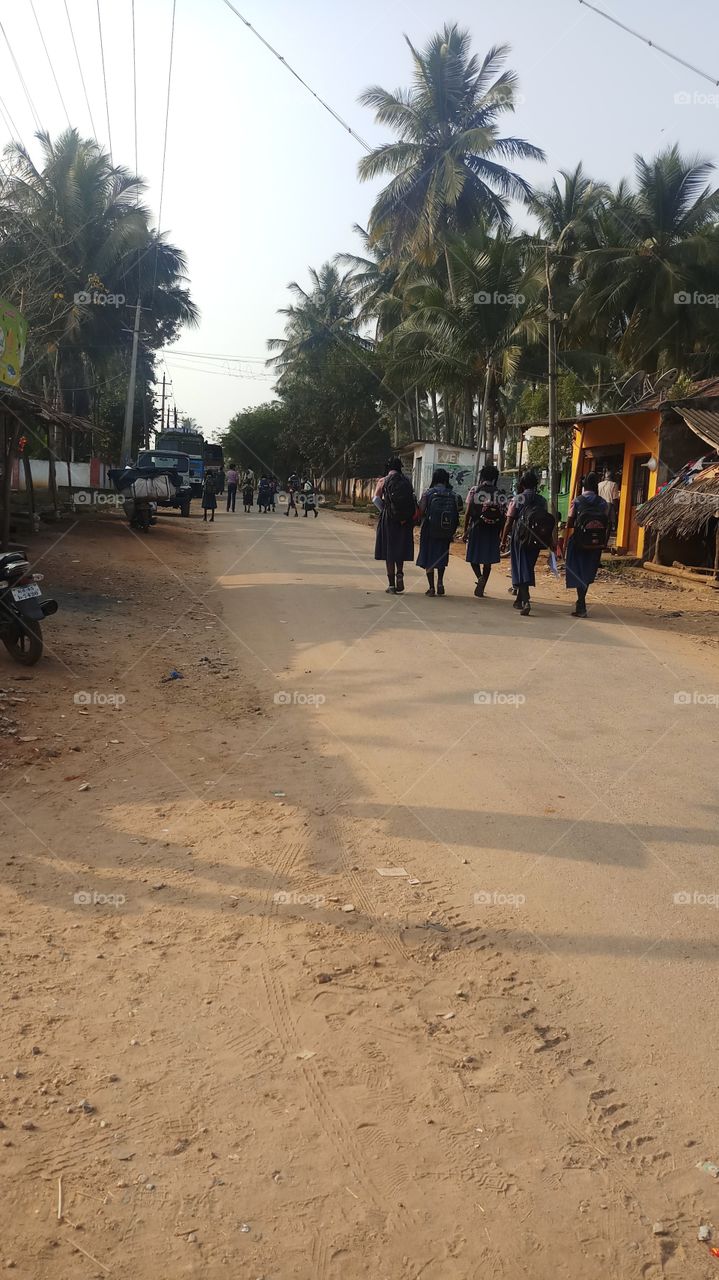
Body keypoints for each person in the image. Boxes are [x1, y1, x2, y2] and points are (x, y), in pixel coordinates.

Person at [500, 469, 555, 616]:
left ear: (522, 484)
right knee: (528, 566)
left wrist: (503, 539)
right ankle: (519, 599)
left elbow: (509, 521)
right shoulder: (542, 500)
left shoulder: (518, 499)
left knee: (520, 567)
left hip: (520, 537)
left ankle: (525, 600)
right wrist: (551, 541)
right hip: (537, 538)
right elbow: (545, 523)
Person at [564, 472, 610, 617]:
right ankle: (581, 601)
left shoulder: (577, 501)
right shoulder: (603, 502)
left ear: (584, 486)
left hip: (578, 541)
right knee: (588, 571)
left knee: (577, 569)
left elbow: (570, 522)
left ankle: (581, 603)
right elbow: (607, 523)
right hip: (596, 543)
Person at [373, 456, 416, 593]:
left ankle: (391, 585)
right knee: (400, 547)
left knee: (389, 550)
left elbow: (375, 499)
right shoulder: (407, 481)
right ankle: (400, 573)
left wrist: (386, 510)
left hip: (389, 519)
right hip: (405, 520)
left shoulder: (383, 480)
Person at [416, 467, 460, 596]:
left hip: (429, 529)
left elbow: (421, 511)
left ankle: (431, 588)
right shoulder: (452, 494)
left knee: (429, 556)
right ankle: (440, 583)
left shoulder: (428, 493)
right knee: (441, 556)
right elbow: (458, 511)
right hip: (446, 531)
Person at [464, 463, 503, 597]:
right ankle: (483, 583)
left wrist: (465, 530)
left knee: (473, 557)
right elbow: (502, 514)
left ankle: (479, 577)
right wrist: (501, 533)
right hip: (492, 530)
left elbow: (468, 511)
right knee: (488, 560)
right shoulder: (498, 492)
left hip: (477, 527)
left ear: (482, 476)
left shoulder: (475, 490)